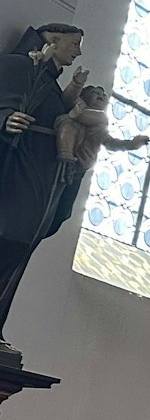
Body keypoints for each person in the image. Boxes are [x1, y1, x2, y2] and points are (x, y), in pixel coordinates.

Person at [0, 23, 88, 361]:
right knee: (9, 239)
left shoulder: (51, 85)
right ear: (52, 40)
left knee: (19, 249)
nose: (77, 52)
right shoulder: (18, 67)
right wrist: (5, 119)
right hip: (19, 177)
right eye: (74, 44)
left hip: (39, 179)